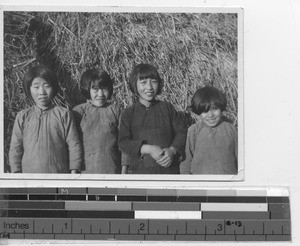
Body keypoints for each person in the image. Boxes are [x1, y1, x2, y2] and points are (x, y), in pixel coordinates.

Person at [9, 65, 82, 173]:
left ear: (53, 87)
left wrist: (74, 170)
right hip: (29, 177)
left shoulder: (63, 114)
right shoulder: (23, 116)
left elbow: (74, 144)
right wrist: (16, 173)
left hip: (57, 174)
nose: (42, 92)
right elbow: (16, 148)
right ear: (28, 89)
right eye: (36, 87)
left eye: (46, 86)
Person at [118, 63, 186, 174]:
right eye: (143, 83)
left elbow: (181, 132)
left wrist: (173, 150)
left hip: (169, 173)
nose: (149, 87)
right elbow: (123, 142)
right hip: (141, 174)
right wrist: (147, 149)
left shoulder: (167, 108)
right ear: (134, 85)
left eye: (153, 82)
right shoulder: (129, 113)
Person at [72, 68, 122, 174]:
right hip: (86, 172)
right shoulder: (78, 112)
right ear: (87, 89)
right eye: (95, 89)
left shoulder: (115, 110)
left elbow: (123, 141)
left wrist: (124, 170)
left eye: (104, 89)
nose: (100, 94)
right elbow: (73, 144)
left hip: (111, 170)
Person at [180, 86, 238, 174]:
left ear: (221, 109)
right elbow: (187, 161)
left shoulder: (231, 130)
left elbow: (242, 162)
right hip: (201, 184)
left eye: (214, 109)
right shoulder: (194, 131)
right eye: (205, 111)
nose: (210, 115)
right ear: (198, 112)